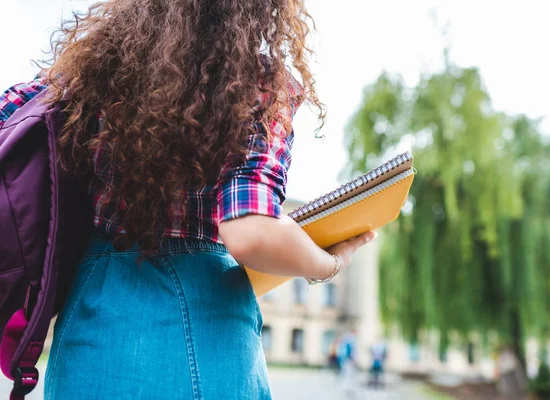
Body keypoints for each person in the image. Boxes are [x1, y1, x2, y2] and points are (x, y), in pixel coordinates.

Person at [0, 1, 376, 399]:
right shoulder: (256, 84)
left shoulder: (90, 70)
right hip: (201, 320)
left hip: (91, 322)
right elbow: (251, 230)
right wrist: (328, 263)